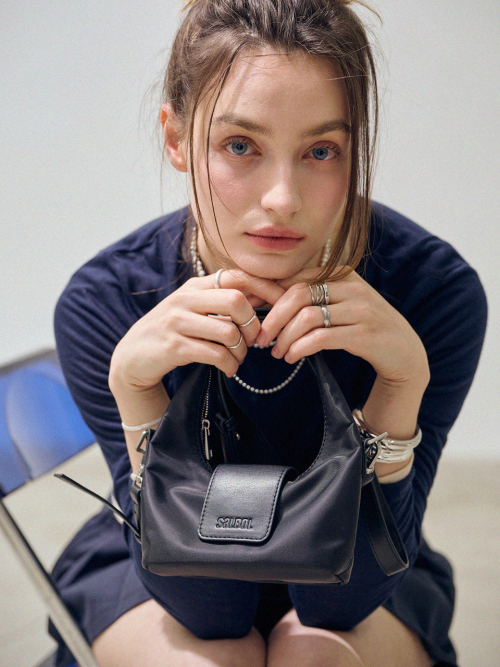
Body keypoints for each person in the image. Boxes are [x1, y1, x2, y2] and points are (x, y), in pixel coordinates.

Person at [50, 0, 487, 665]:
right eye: (240, 145)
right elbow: (208, 611)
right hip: (150, 569)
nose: (282, 198)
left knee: (313, 656)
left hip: (376, 573)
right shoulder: (107, 305)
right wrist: (138, 396)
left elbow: (341, 604)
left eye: (321, 150)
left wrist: (401, 386)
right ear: (176, 138)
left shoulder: (433, 294)